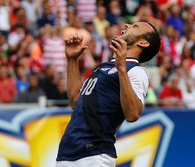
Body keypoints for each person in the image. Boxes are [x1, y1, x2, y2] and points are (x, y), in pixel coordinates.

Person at [56, 21, 161, 166]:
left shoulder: (136, 71)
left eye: (134, 27)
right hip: (67, 154)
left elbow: (133, 114)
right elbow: (76, 101)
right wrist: (72, 60)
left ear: (143, 42)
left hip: (94, 154)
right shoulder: (105, 66)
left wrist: (122, 69)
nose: (126, 26)